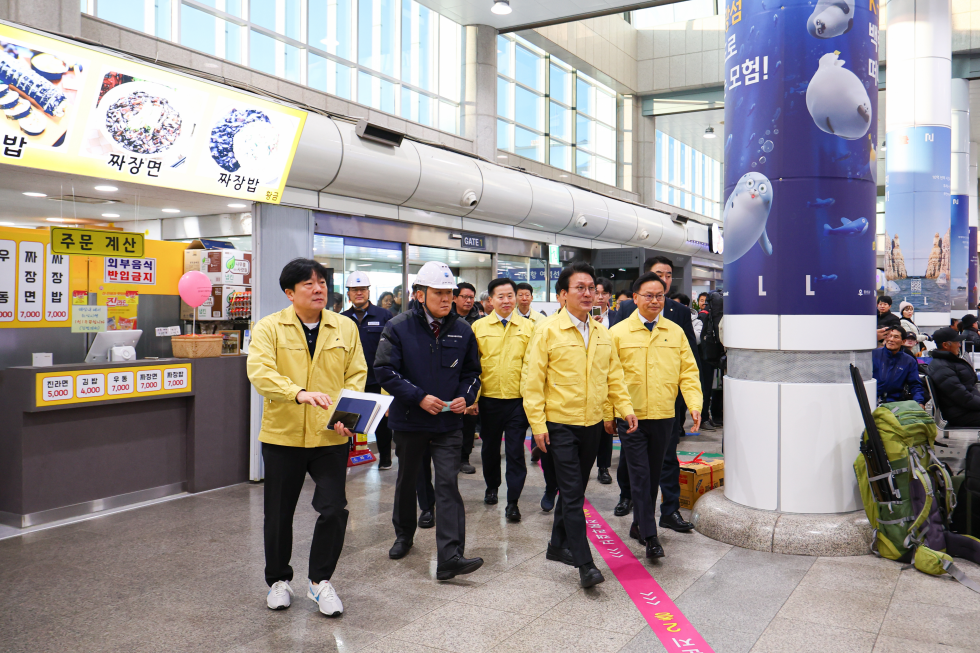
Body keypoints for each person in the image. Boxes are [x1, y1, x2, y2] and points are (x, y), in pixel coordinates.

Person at [246, 258, 366, 616]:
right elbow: (259, 371)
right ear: (290, 292)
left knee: (333, 509)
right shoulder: (270, 328)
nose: (318, 289)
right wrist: (297, 392)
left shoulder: (344, 327)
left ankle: (319, 583)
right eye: (309, 284)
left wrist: (349, 417)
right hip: (283, 436)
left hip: (330, 437)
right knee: (278, 514)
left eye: (322, 283)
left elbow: (356, 374)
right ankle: (279, 580)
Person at [523, 262, 638, 588]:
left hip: (592, 426)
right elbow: (532, 383)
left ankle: (557, 545)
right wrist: (538, 425)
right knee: (573, 493)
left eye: (592, 288)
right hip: (560, 424)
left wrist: (624, 408)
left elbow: (614, 376)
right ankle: (585, 563)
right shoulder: (547, 331)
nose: (589, 293)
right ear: (562, 295)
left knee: (575, 490)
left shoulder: (602, 332)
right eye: (580, 288)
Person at [374, 261, 484, 580]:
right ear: (419, 294)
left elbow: (472, 373)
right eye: (438, 293)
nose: (446, 299)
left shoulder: (462, 330)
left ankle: (450, 556)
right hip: (410, 422)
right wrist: (418, 396)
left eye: (449, 292)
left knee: (448, 484)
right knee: (408, 481)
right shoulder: (398, 327)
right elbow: (384, 370)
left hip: (449, 424)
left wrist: (468, 395)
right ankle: (404, 535)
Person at [607, 272, 702, 560]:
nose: (654, 300)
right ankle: (650, 536)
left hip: (664, 415)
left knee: (652, 474)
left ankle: (638, 524)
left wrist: (694, 404)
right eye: (648, 295)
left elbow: (688, 371)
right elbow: (608, 377)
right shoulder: (618, 333)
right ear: (634, 298)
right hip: (631, 416)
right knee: (640, 475)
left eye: (659, 295)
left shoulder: (675, 332)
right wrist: (609, 414)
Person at [472, 278, 534, 522]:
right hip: (488, 400)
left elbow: (532, 366)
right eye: (501, 296)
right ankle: (492, 486)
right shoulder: (478, 327)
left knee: (515, 451)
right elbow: (473, 366)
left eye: (511, 295)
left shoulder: (529, 328)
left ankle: (513, 502)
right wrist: (473, 399)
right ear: (490, 300)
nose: (507, 300)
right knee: (489, 449)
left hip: (517, 402)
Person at [340, 272, 395, 469]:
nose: (359, 293)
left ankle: (386, 459)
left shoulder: (384, 315)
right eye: (354, 290)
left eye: (362, 289)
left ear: (368, 291)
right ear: (349, 293)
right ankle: (343, 458)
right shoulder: (342, 319)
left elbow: (392, 347)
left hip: (376, 379)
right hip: (351, 379)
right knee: (347, 420)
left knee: (381, 421)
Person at [450, 282, 480, 474]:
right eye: (465, 297)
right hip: (449, 375)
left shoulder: (479, 320)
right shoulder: (447, 317)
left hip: (468, 375)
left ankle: (464, 458)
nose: (469, 301)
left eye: (471, 297)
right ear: (455, 298)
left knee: (468, 420)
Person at [927, 327, 980, 426]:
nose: (959, 345)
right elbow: (962, 396)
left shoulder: (948, 361)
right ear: (946, 345)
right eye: (957, 342)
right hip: (961, 414)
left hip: (966, 409)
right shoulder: (942, 367)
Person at [594, 276, 617, 486]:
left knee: (606, 424)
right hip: (587, 376)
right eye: (597, 292)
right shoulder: (582, 316)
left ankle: (603, 467)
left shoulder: (618, 317)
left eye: (604, 293)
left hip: (610, 375)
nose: (600, 297)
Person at [872, 326, 925, 407]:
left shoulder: (909, 361)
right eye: (889, 336)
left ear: (903, 341)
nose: (891, 339)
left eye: (896, 337)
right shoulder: (873, 354)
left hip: (895, 404)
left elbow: (915, 384)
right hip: (871, 401)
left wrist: (919, 402)